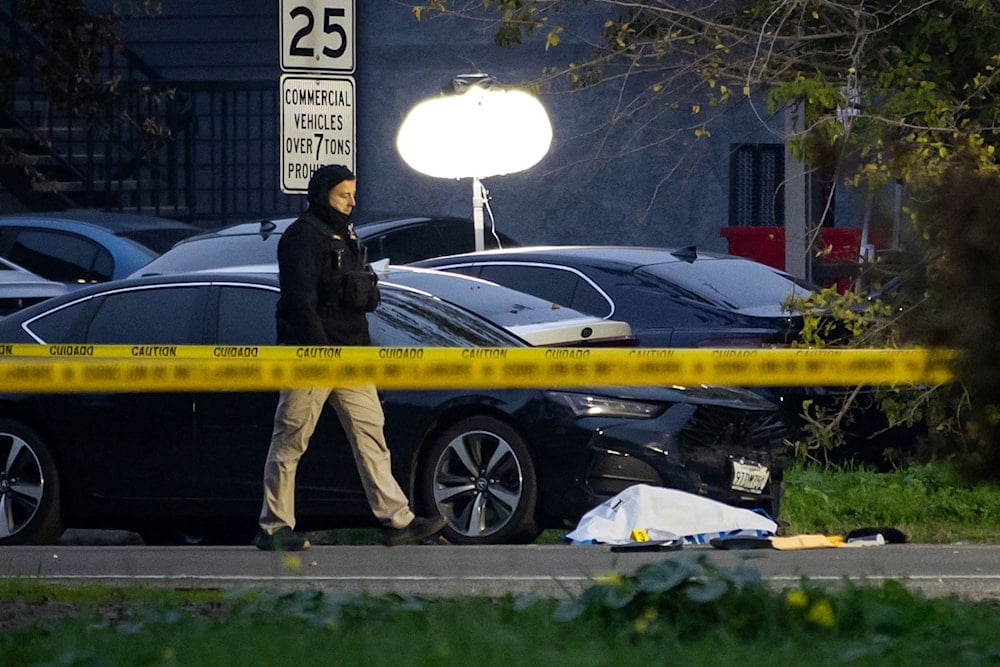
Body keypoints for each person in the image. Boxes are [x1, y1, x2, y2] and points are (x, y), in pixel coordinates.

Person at [254, 164, 445, 551]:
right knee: (291, 439)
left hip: (352, 357)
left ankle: (397, 521)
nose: (352, 203)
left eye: (354, 195)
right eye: (344, 195)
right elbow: (299, 302)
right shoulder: (301, 238)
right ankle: (274, 528)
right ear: (323, 194)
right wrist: (321, 349)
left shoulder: (346, 235)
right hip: (312, 357)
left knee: (372, 435)